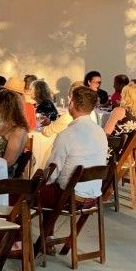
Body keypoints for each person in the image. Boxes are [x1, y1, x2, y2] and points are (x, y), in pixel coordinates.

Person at [39, 84, 109, 217]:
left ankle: (28, 236)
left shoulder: (67, 134)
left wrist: (39, 184)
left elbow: (51, 172)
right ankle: (48, 232)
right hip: (93, 195)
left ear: (72, 104)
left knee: (19, 196)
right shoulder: (100, 132)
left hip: (69, 197)